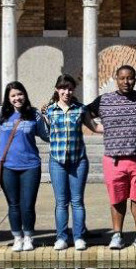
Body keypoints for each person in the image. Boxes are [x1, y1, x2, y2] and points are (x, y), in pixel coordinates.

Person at [86, 65, 136, 250]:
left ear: (135, 80)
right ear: (116, 79)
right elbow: (84, 113)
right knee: (117, 199)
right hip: (114, 160)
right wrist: (96, 128)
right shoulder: (104, 100)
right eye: (122, 78)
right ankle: (117, 235)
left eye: (130, 78)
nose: (126, 82)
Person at [0, 81, 49, 252]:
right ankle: (17, 237)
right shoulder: (1, 112)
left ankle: (29, 237)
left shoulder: (34, 114)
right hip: (8, 166)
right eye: (13, 95)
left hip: (31, 166)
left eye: (19, 94)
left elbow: (47, 136)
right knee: (13, 205)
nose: (17, 98)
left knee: (28, 204)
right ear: (8, 98)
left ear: (25, 95)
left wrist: (49, 118)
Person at [43, 75, 98, 251]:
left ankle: (79, 236)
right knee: (61, 201)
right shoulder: (49, 111)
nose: (66, 92)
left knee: (77, 201)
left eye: (70, 89)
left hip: (78, 161)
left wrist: (117, 126)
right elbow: (43, 132)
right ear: (57, 89)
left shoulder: (80, 109)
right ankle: (61, 237)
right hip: (57, 161)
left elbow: (95, 127)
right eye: (63, 88)